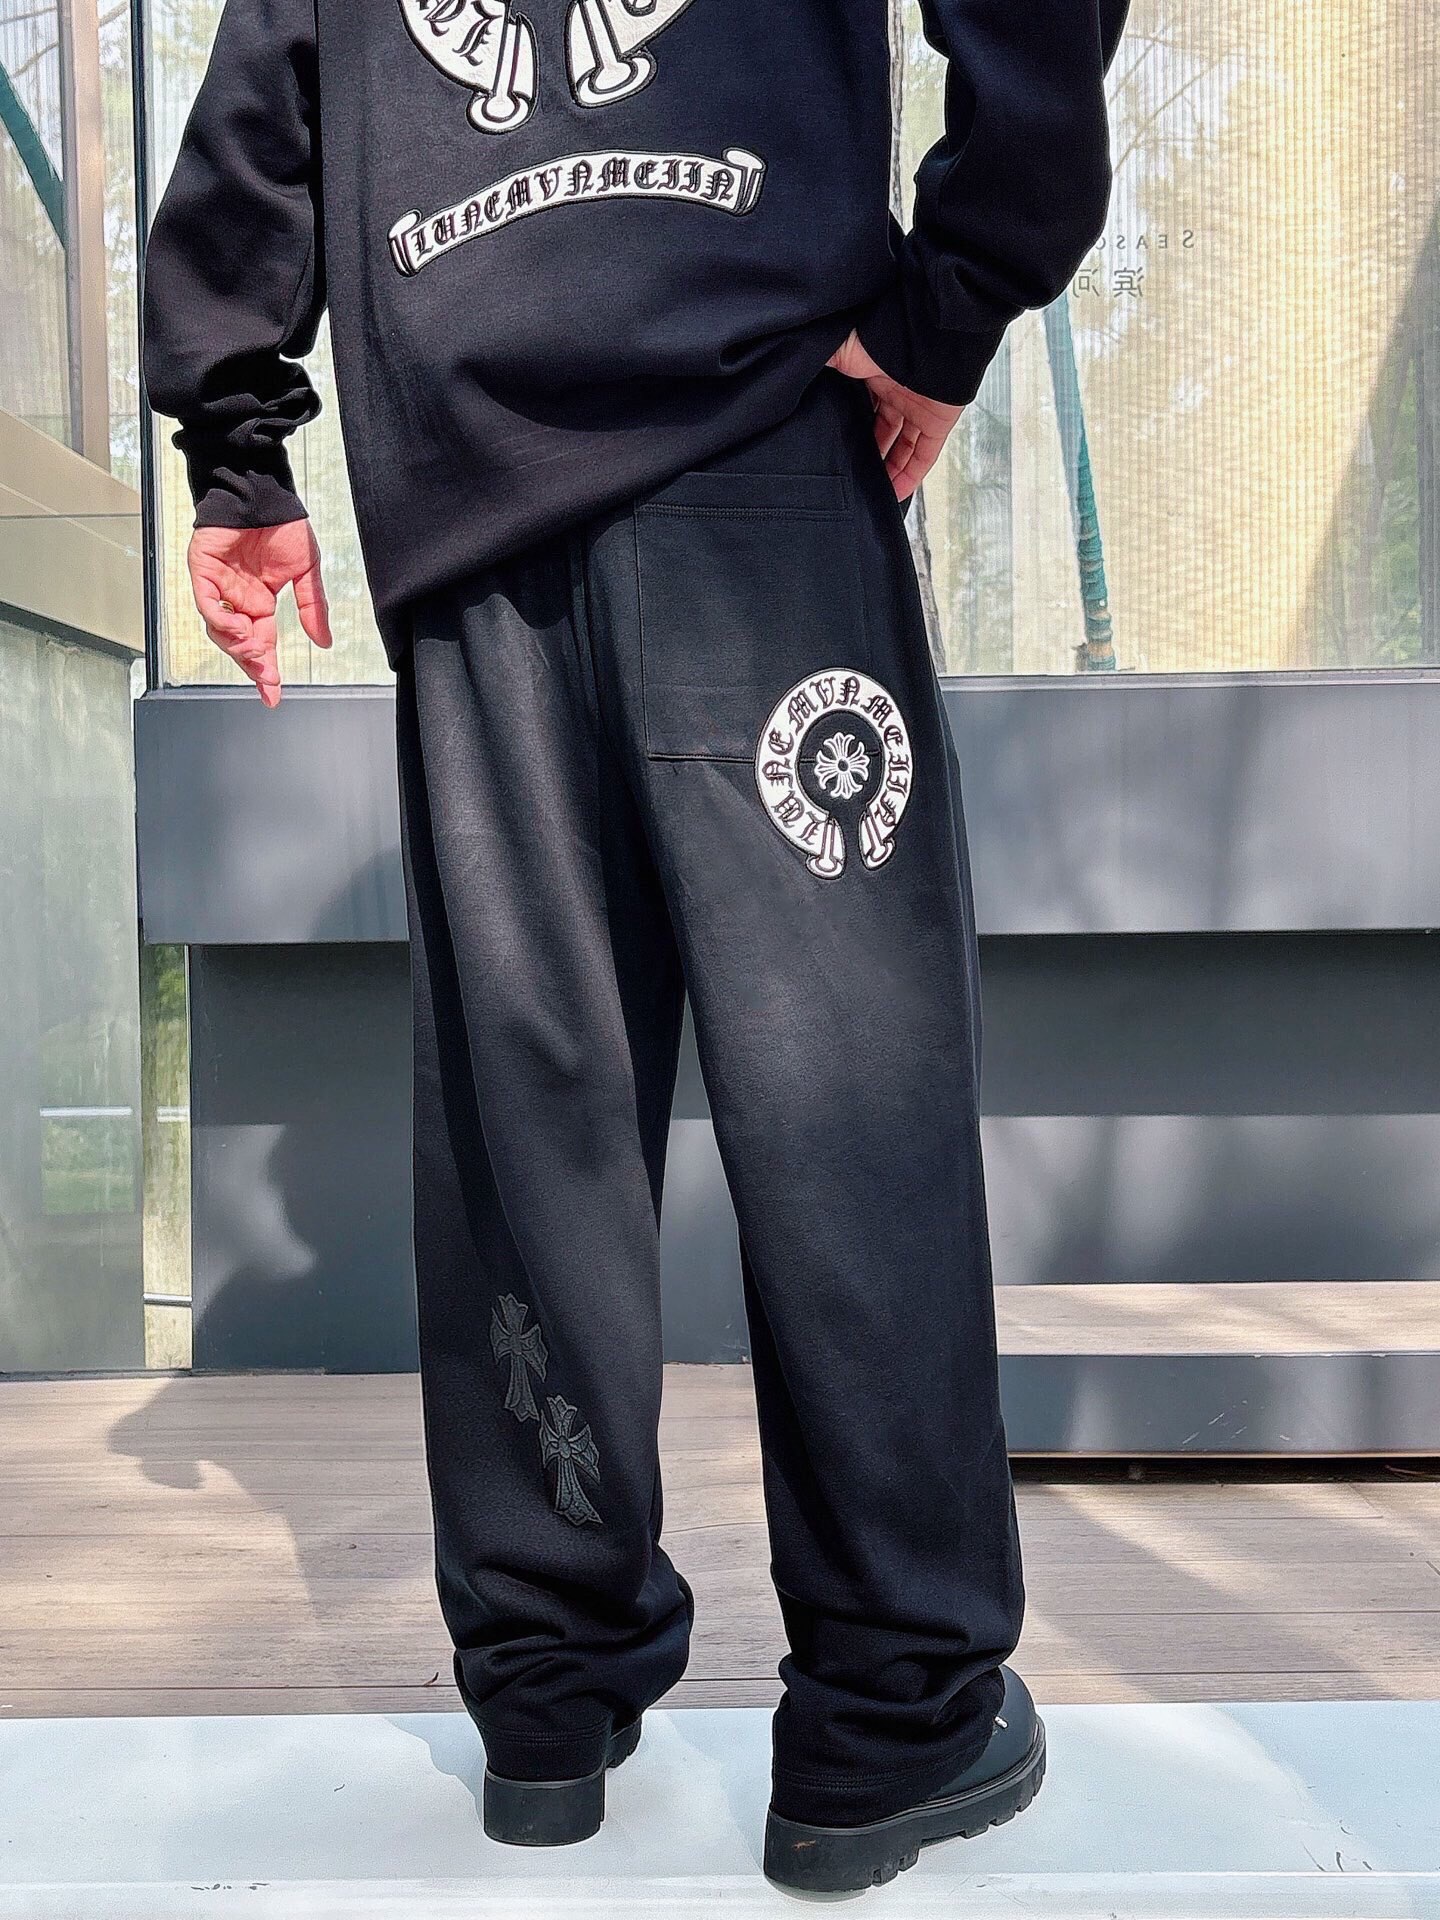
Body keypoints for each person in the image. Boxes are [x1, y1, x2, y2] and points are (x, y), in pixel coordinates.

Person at [142, 0, 1128, 1893]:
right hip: (757, 457)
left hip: (474, 512)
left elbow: (273, 70)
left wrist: (240, 447)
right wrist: (955, 295)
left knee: (532, 1110)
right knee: (847, 1100)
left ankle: (548, 1695)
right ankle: (890, 1718)